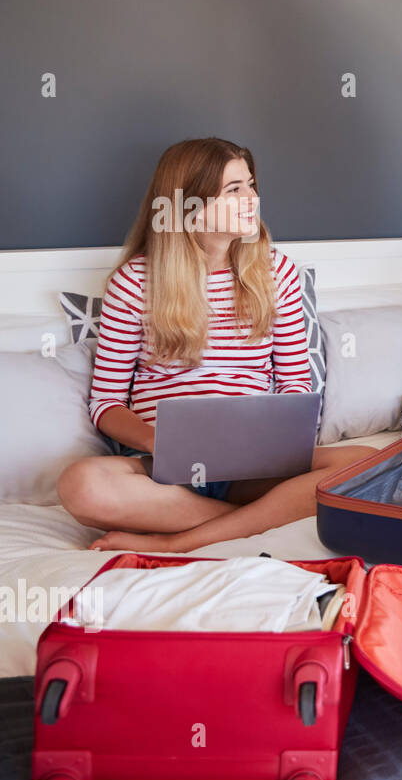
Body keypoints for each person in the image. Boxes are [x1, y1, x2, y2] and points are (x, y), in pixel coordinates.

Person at [57, 137, 376, 554]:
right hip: (167, 471)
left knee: (370, 462)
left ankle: (179, 539)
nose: (252, 199)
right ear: (188, 204)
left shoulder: (276, 272)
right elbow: (106, 404)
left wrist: (279, 437)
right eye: (234, 190)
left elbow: (298, 381)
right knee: (81, 485)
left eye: (251, 184)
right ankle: (261, 520)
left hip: (257, 464)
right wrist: (158, 441)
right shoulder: (134, 283)